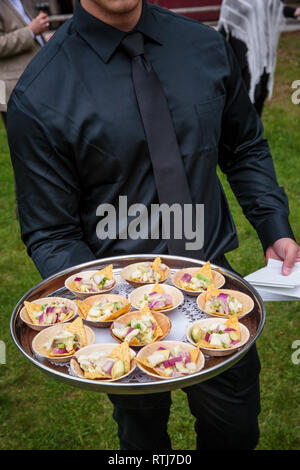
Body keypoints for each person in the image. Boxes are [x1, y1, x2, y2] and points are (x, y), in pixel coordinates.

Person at [7, 0, 300, 450]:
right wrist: (104, 314)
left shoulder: (204, 46)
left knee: (236, 431)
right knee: (142, 438)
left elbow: (243, 146)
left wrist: (273, 225)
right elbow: (52, 231)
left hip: (215, 286)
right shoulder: (41, 91)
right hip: (115, 311)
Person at [218, 0, 300, 116]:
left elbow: (274, 6)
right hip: (243, 52)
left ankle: (256, 131)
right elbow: (225, 24)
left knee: (261, 92)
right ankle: (242, 131)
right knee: (246, 96)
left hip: (262, 52)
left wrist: (294, 11)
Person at [0, 0, 50, 127]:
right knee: (23, 141)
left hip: (33, 82)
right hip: (12, 88)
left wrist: (43, 38)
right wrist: (30, 32)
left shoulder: (18, 2)